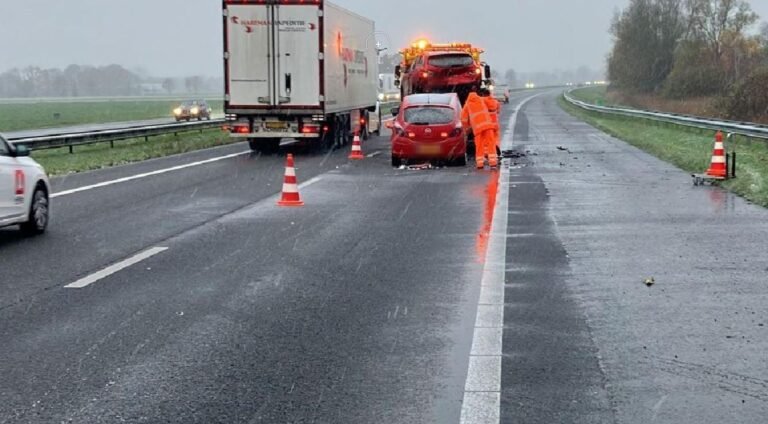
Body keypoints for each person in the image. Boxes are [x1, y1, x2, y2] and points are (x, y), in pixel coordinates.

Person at [461, 91, 498, 169]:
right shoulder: (481, 100)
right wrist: (490, 97)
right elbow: (493, 106)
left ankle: (480, 164)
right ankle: (493, 163)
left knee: (479, 146)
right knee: (490, 143)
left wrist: (466, 128)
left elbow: (463, 119)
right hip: (487, 126)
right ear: (476, 95)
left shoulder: (467, 105)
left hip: (477, 128)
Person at [480, 88, 501, 159]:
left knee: (486, 139)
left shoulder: (481, 100)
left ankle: (487, 153)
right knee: (495, 138)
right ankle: (496, 147)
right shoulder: (495, 101)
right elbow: (498, 111)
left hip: (486, 123)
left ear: (483, 94)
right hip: (495, 124)